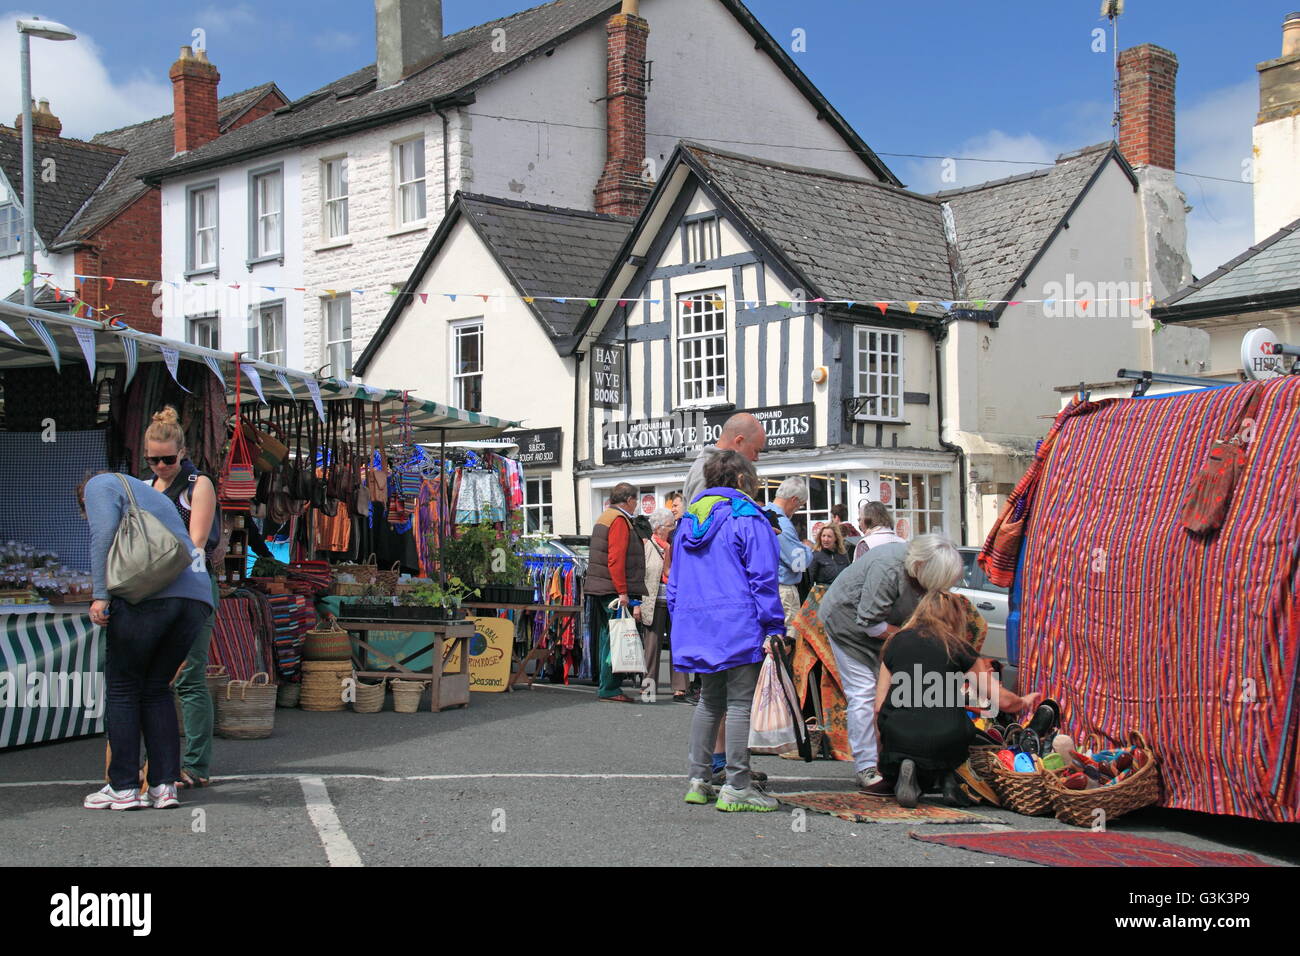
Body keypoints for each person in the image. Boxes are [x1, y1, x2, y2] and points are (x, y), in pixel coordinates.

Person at [79, 472, 215, 811]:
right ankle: (163, 786)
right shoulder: (144, 491)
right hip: (196, 597)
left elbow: (103, 535)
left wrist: (100, 595)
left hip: (152, 595)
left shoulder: (100, 486)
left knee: (124, 688)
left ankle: (123, 786)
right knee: (156, 689)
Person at [669, 450, 786, 812]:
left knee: (708, 701)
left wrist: (682, 621)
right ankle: (737, 784)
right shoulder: (748, 517)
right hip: (738, 623)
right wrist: (774, 625)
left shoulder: (688, 521)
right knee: (738, 703)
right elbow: (763, 578)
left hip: (697, 624)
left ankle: (698, 779)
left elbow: (674, 584)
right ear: (741, 481)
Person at [819, 533, 960, 794]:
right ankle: (866, 767)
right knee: (864, 693)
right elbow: (870, 623)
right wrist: (914, 637)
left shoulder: (919, 569)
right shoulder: (888, 568)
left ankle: (900, 760)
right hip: (847, 624)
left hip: (885, 626)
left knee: (899, 692)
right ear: (920, 568)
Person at [877, 590, 1041, 808]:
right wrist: (1024, 701)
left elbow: (878, 707)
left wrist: (884, 750)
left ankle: (903, 771)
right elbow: (1001, 701)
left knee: (901, 736)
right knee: (962, 728)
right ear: (955, 617)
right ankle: (949, 778)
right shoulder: (958, 647)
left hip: (899, 733)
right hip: (946, 736)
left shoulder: (894, 642)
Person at [145, 406, 219, 790]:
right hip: (156, 589)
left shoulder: (198, 484)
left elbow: (197, 543)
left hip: (192, 588)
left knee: (189, 676)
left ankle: (196, 764)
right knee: (153, 679)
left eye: (168, 459)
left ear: (182, 452)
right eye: (153, 460)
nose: (160, 466)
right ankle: (157, 763)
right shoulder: (148, 486)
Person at [582, 482, 647, 703]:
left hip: (601, 586)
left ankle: (606, 685)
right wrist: (623, 592)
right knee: (615, 637)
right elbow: (615, 559)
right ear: (629, 500)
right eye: (635, 501)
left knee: (607, 636)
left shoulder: (605, 517)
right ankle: (610, 688)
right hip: (611, 588)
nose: (636, 505)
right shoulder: (619, 520)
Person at [640, 507, 690, 701]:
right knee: (652, 648)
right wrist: (636, 604)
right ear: (659, 528)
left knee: (678, 644)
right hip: (653, 601)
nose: (673, 528)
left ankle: (680, 688)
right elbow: (641, 576)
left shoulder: (676, 546)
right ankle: (648, 689)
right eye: (670, 525)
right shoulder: (648, 546)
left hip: (674, 601)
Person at [763, 477, 813, 631]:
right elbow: (799, 563)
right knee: (784, 642)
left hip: (765, 586)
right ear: (794, 500)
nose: (797, 510)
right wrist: (808, 549)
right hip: (783, 589)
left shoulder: (761, 514)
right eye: (799, 506)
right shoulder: (781, 522)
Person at [682, 413, 766, 505]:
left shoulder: (711, 467)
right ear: (739, 441)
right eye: (756, 451)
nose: (756, 458)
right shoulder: (706, 471)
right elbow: (701, 516)